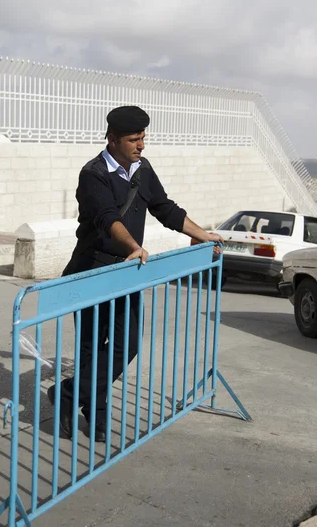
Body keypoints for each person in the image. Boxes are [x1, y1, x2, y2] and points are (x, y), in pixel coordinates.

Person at [48, 105, 223, 442]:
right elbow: (107, 217)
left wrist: (201, 233)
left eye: (143, 138)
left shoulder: (142, 170)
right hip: (93, 268)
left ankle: (67, 395)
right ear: (112, 139)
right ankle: (95, 416)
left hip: (127, 271)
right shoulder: (93, 173)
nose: (141, 145)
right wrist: (133, 245)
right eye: (134, 139)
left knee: (126, 345)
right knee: (90, 347)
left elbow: (165, 208)